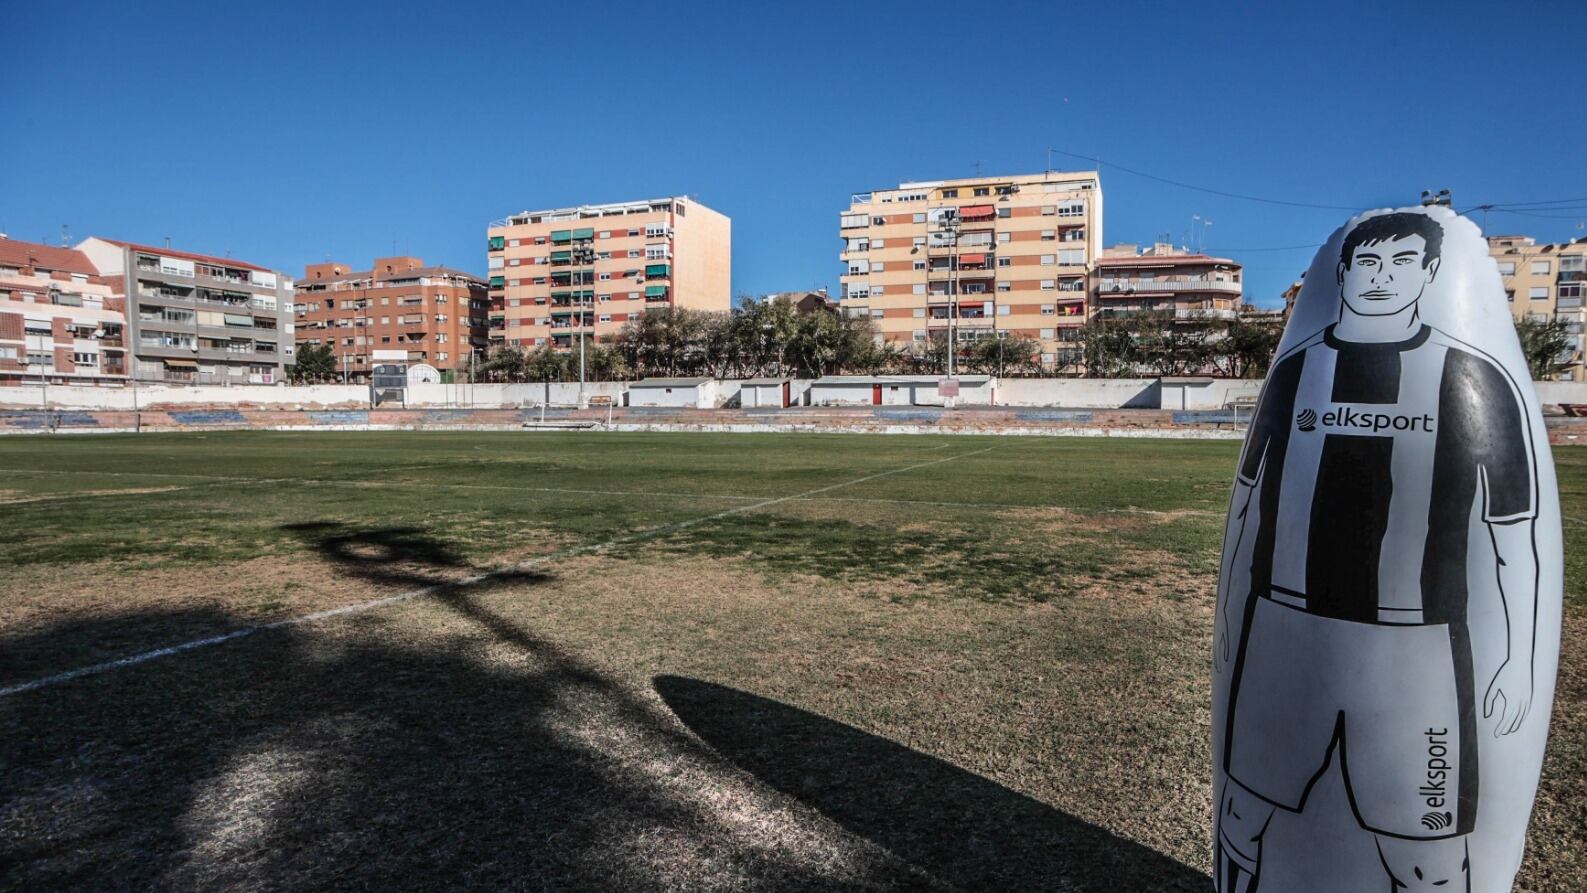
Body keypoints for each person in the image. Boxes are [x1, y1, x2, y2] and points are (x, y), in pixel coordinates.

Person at [1214, 212, 1540, 892]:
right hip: (1283, 627)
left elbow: (1511, 533)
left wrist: (1517, 654)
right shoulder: (1295, 373)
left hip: (1414, 648)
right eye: (1367, 262)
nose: (1381, 276)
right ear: (1342, 273)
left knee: (1425, 856)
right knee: (1243, 812)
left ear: (1427, 273)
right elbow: (1246, 502)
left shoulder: (1472, 374)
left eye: (1400, 262)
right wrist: (1228, 617)